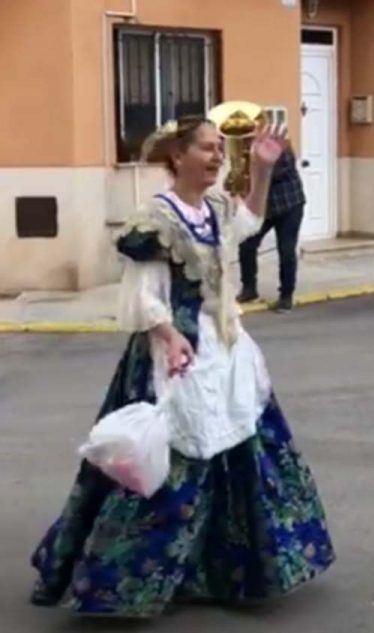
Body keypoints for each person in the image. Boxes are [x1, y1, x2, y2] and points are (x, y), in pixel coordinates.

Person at [29, 116, 335, 617]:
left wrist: (261, 171)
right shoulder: (156, 220)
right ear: (178, 156)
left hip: (225, 346)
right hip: (174, 353)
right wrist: (169, 338)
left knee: (239, 448)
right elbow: (142, 297)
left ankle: (216, 570)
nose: (218, 157)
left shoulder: (214, 206)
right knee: (166, 464)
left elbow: (249, 224)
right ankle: (123, 582)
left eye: (220, 149)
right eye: (209, 149)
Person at [238, 130, 305, 313]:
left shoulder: (278, 145)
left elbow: (275, 172)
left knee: (286, 250)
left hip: (289, 204)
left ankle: (286, 296)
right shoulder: (247, 150)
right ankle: (249, 289)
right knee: (246, 243)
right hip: (266, 209)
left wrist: (256, 162)